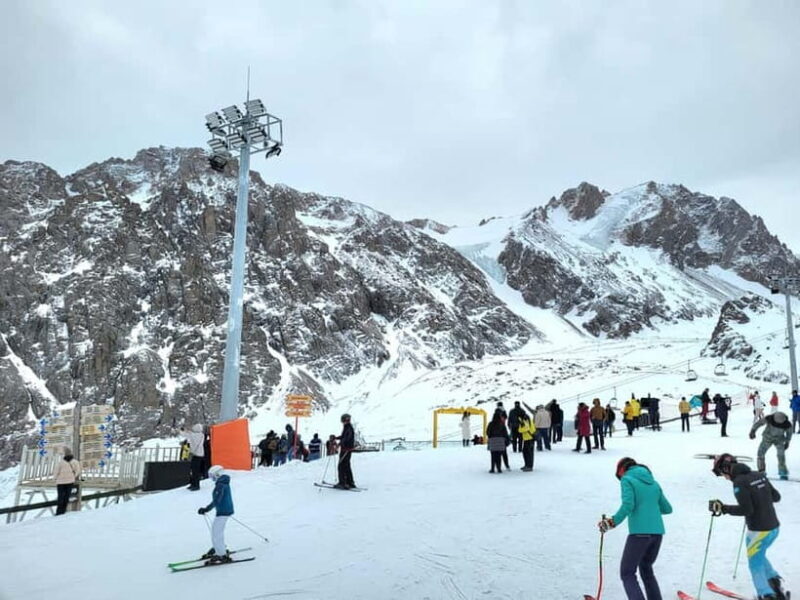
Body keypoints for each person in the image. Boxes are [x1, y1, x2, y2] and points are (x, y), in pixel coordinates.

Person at [709, 454, 786, 600]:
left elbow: (746, 510)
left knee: (755, 563)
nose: (724, 477)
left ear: (726, 468)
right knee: (759, 555)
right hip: (774, 528)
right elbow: (776, 497)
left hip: (758, 531)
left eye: (721, 473)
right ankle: (774, 582)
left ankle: (766, 594)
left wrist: (723, 508)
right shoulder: (758, 475)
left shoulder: (739, 482)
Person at [598, 458, 673, 600]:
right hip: (657, 534)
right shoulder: (654, 484)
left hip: (639, 534)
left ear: (621, 471)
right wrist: (650, 508)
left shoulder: (627, 480)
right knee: (646, 569)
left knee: (627, 573)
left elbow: (628, 505)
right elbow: (667, 509)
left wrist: (610, 522)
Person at [197, 465, 234, 564]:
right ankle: (219, 548)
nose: (212, 479)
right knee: (216, 531)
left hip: (223, 511)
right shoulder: (223, 483)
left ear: (218, 474)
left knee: (216, 532)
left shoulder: (221, 485)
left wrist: (206, 509)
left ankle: (221, 554)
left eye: (212, 476)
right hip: (224, 510)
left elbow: (217, 500)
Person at [750, 412, 793, 480]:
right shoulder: (769, 418)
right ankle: (761, 471)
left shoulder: (787, 424)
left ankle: (783, 472)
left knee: (781, 455)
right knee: (760, 453)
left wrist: (787, 442)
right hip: (767, 438)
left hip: (779, 440)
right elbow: (759, 423)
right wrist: (753, 431)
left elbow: (789, 433)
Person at [53, 447, 81, 516]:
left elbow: (56, 471)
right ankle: (63, 511)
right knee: (66, 496)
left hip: (60, 482)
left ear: (65, 455)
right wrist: (73, 476)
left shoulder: (61, 462)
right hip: (70, 481)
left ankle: (59, 512)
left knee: (60, 497)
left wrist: (55, 478)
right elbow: (78, 471)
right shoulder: (75, 462)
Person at [179, 424, 205, 491]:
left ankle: (195, 485)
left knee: (194, 471)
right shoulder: (202, 435)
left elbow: (184, 434)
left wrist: (181, 429)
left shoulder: (193, 435)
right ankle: (194, 484)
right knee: (196, 470)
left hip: (195, 454)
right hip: (200, 454)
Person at [336, 413, 356, 489]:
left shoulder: (348, 428)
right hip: (347, 449)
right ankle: (350, 482)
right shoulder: (348, 427)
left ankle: (342, 482)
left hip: (346, 449)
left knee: (341, 465)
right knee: (346, 465)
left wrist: (339, 443)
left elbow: (346, 438)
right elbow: (344, 437)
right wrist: (337, 438)